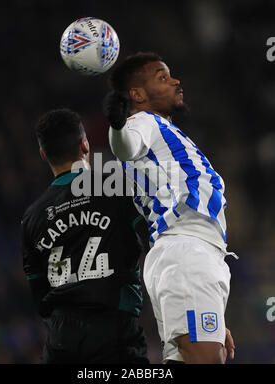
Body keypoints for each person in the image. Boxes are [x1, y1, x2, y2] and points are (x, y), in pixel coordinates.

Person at [103, 52, 237, 364]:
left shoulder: (165, 133)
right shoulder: (142, 123)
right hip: (186, 252)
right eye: (162, 77)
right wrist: (117, 124)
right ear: (137, 94)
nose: (175, 81)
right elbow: (126, 145)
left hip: (192, 256)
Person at [21, 108, 150, 364]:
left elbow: (39, 294)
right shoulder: (117, 188)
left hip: (60, 343)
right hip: (115, 334)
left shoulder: (31, 217)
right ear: (84, 144)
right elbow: (153, 243)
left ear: (43, 154)